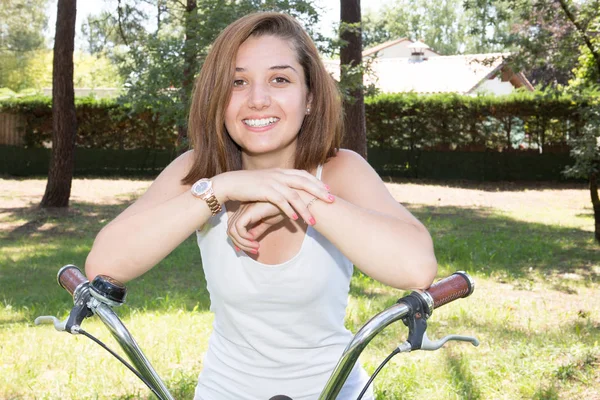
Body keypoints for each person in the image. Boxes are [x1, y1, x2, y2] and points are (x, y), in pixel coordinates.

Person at [85, 11, 438, 400]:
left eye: (280, 79)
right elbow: (105, 263)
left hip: (336, 391)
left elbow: (416, 267)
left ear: (309, 99)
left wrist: (297, 195)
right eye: (238, 82)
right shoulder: (199, 170)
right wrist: (221, 187)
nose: (257, 99)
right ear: (219, 99)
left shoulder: (341, 170)